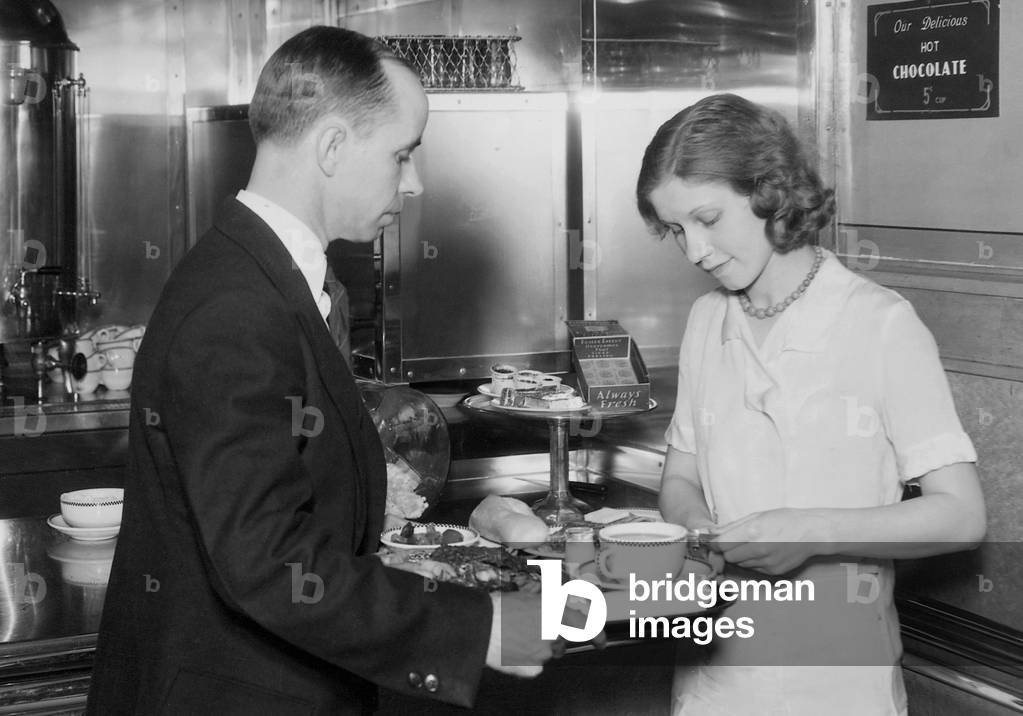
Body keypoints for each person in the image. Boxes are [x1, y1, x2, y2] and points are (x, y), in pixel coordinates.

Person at [87, 26, 574, 715]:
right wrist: (482, 629)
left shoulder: (267, 276)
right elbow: (267, 561)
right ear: (333, 147)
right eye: (402, 156)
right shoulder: (236, 307)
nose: (414, 183)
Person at [635, 93, 986, 716]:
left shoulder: (880, 324)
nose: (694, 251)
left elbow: (961, 516)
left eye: (708, 218)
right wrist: (697, 532)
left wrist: (810, 532)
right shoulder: (705, 320)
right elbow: (681, 475)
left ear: (769, 189)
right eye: (676, 230)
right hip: (713, 676)